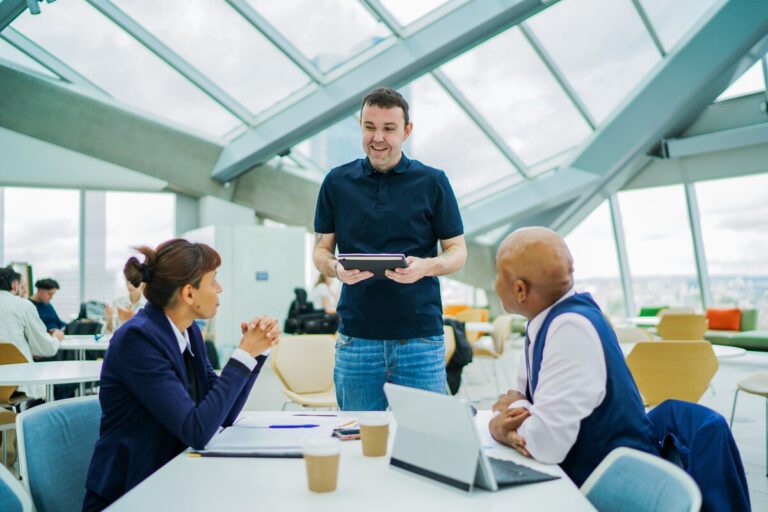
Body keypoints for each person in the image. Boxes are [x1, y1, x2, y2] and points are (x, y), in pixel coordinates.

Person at [83, 239, 280, 511]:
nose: (220, 289)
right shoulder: (138, 338)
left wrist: (255, 354)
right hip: (131, 493)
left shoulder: (188, 332)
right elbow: (196, 431)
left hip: (170, 480)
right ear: (189, 294)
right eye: (214, 281)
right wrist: (243, 354)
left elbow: (223, 414)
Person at [313, 87, 467, 411]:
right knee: (356, 443)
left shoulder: (433, 182)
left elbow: (457, 251)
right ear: (361, 127)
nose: (377, 137)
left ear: (406, 131)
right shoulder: (336, 183)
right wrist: (336, 269)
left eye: (388, 128)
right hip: (356, 340)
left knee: (425, 443)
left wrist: (426, 266)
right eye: (370, 127)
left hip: (420, 340)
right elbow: (321, 251)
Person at [488, 227, 658, 486]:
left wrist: (501, 424)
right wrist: (518, 414)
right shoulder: (548, 321)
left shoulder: (570, 330)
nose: (494, 283)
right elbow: (526, 405)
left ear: (520, 290)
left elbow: (545, 444)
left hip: (608, 490)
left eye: (498, 274)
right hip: (580, 477)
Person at [0, 266, 62, 399]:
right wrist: (56, 338)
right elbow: (46, 349)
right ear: (15, 285)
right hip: (16, 384)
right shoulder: (23, 305)